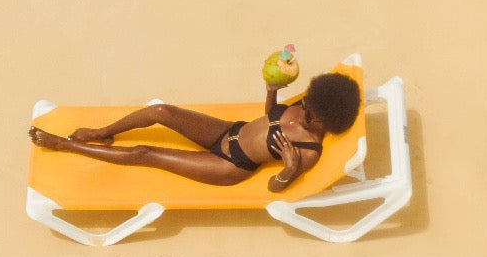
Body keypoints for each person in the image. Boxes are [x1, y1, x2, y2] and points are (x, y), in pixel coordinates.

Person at [27, 72, 361, 192]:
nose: (303, 111)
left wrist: (288, 171)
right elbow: (269, 118)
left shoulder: (308, 150)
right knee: (160, 111)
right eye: (306, 103)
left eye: (310, 115)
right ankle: (101, 132)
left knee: (146, 154)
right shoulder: (309, 104)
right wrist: (271, 92)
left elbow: (275, 188)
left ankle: (65, 145)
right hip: (229, 131)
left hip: (230, 165)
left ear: (327, 123)